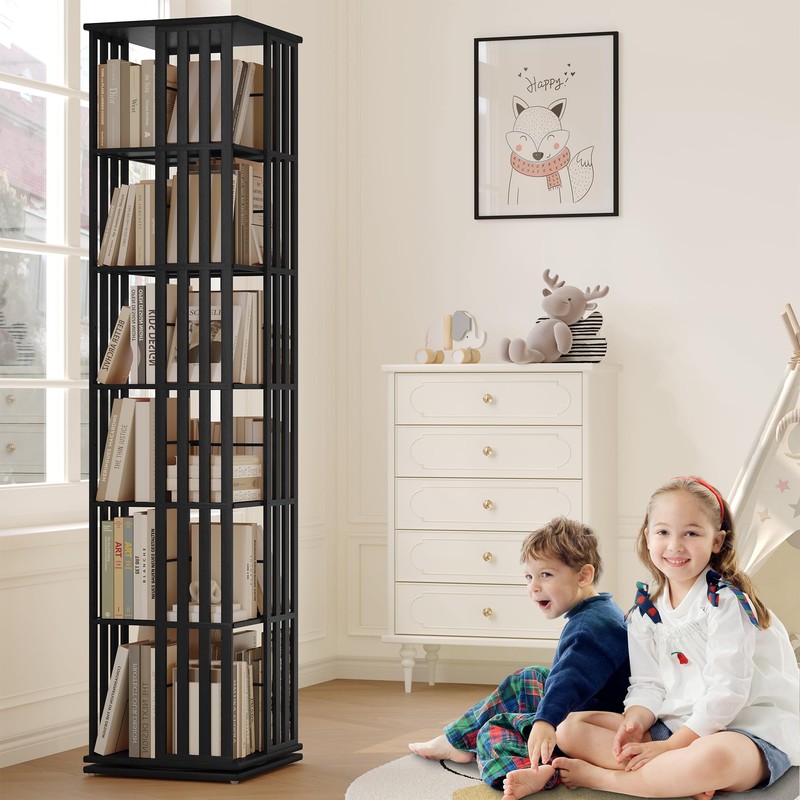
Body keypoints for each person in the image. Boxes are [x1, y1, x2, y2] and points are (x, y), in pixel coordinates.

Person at [503, 477, 800, 800]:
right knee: (570, 728)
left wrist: (670, 747)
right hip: (676, 725)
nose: (675, 545)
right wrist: (634, 721)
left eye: (691, 533)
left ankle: (606, 778)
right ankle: (674, 777)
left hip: (747, 728)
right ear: (647, 538)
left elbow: (728, 693)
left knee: (715, 758)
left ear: (717, 541)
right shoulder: (645, 612)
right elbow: (648, 684)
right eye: (663, 532)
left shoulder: (725, 602)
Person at [408, 517, 630, 792]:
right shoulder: (599, 612)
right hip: (590, 704)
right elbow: (568, 674)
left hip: (589, 722)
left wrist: (545, 721)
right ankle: (457, 741)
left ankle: (533, 770)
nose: (534, 586)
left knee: (495, 730)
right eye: (529, 577)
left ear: (583, 576)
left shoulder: (589, 627)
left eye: (546, 575)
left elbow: (573, 678)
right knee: (526, 678)